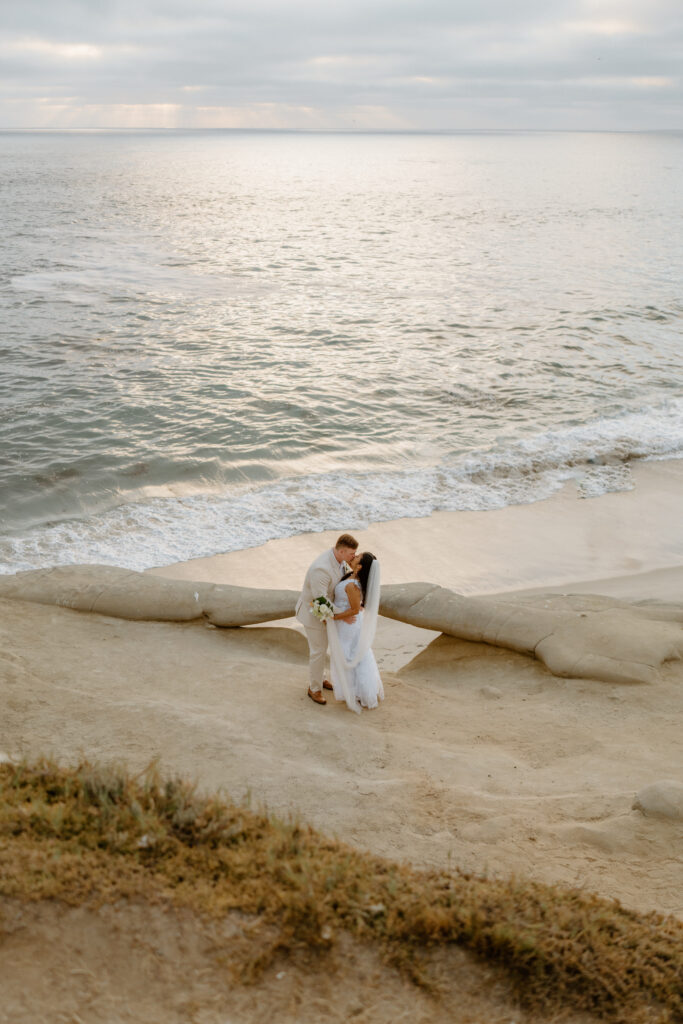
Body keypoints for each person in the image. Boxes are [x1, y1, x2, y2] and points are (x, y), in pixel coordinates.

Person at [296, 533, 359, 706]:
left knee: (323, 649)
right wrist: (343, 615)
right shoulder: (321, 568)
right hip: (313, 614)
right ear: (341, 551)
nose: (354, 556)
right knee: (318, 651)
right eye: (352, 553)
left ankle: (321, 678)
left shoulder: (340, 561)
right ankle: (314, 689)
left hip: (327, 612)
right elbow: (320, 600)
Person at [328, 552, 384, 713]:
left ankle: (358, 692)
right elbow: (358, 605)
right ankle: (353, 690)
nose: (354, 556)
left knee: (349, 656)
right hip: (346, 622)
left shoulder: (352, 585)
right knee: (351, 654)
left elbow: (353, 610)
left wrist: (335, 616)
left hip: (349, 625)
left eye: (357, 557)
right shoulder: (349, 576)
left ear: (360, 567)